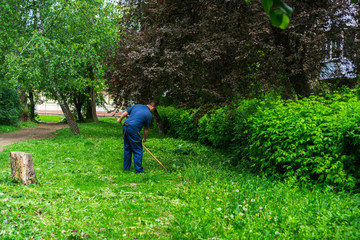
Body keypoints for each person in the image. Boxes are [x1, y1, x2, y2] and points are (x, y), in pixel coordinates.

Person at [117, 102, 156, 173]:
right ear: (152, 107)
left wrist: (119, 120)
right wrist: (144, 138)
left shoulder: (136, 106)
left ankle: (126, 169)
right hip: (134, 130)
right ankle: (139, 170)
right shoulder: (148, 114)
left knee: (127, 149)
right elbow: (146, 129)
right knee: (137, 150)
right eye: (153, 109)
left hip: (125, 127)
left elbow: (124, 113)